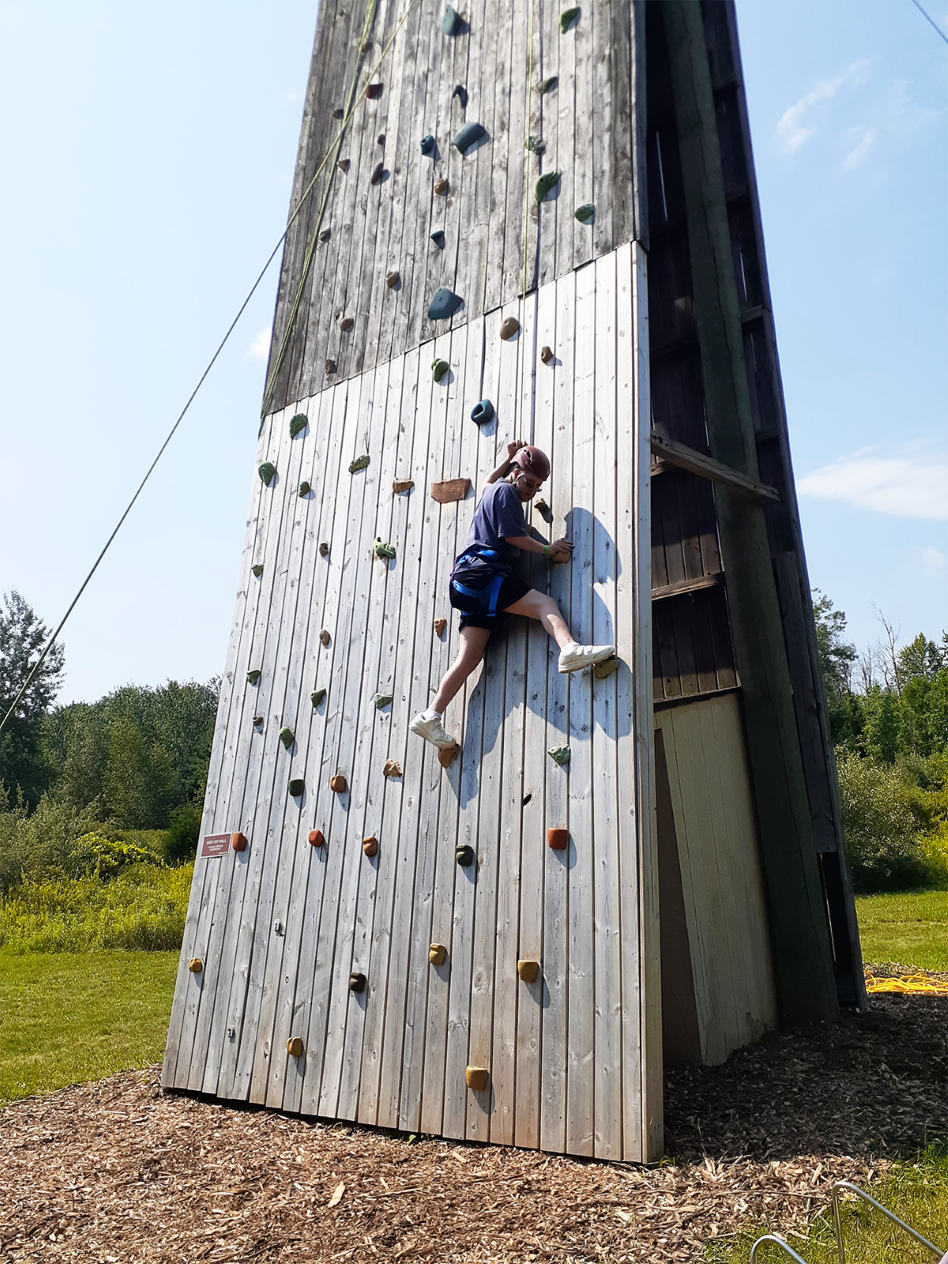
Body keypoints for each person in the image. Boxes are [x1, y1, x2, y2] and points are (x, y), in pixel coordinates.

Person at [410, 439, 614, 749]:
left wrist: (506, 459)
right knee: (545, 603)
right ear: (516, 473)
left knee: (469, 658)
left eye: (537, 486)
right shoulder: (506, 493)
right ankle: (569, 648)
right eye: (529, 482)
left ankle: (430, 715)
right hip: (484, 573)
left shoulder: (493, 489)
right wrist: (549, 548)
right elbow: (512, 536)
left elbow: (485, 481)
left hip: (467, 584)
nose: (532, 490)